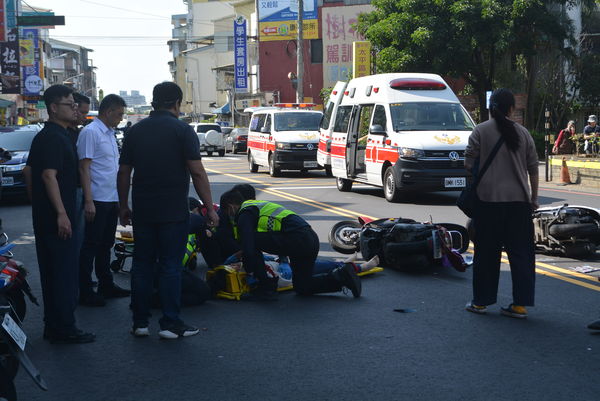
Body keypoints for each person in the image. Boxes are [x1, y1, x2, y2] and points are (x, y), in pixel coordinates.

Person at [117, 81, 218, 340]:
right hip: (172, 211)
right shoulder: (182, 130)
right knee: (170, 267)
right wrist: (209, 207)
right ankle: (169, 324)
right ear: (176, 103)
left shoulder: (135, 132)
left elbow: (124, 172)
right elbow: (197, 172)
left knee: (141, 265)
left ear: (154, 101)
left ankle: (139, 323)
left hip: (143, 210)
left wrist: (123, 206)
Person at [25, 84, 95, 343]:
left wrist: (40, 206)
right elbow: (47, 175)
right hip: (58, 218)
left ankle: (54, 326)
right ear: (54, 108)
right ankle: (64, 327)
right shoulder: (54, 137)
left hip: (48, 216)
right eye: (70, 104)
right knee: (64, 272)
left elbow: (29, 172)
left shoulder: (52, 135)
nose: (75, 108)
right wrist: (61, 213)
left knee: (54, 272)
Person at [463, 88, 539, 319]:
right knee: (521, 255)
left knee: (486, 254)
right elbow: (533, 169)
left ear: (490, 108)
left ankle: (480, 303)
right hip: (519, 203)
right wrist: (533, 199)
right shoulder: (523, 133)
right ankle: (519, 306)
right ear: (510, 109)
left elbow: (468, 163)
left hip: (488, 202)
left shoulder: (480, 131)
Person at [219, 189, 361, 301]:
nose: (228, 217)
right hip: (309, 239)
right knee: (302, 287)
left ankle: (265, 288)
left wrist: (250, 272)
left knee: (250, 242)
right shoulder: (257, 207)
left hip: (298, 240)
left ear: (231, 207)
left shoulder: (245, 213)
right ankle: (341, 277)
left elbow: (249, 248)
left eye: (226, 213)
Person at [77, 94, 130, 307]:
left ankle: (106, 285)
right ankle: (85, 290)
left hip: (110, 198)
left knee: (106, 244)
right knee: (90, 245)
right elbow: (84, 168)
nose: (120, 119)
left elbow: (111, 169)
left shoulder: (108, 133)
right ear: (108, 111)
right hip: (96, 199)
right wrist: (88, 200)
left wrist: (119, 200)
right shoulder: (91, 132)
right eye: (118, 114)